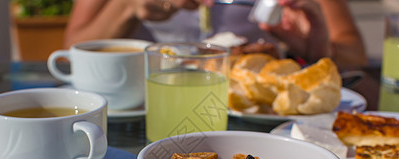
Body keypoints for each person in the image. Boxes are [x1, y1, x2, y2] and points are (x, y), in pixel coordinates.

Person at [64, 0, 367, 67]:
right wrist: (127, 7)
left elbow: (356, 58)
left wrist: (316, 47)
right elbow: (71, 52)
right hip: (157, 99)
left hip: (260, 120)